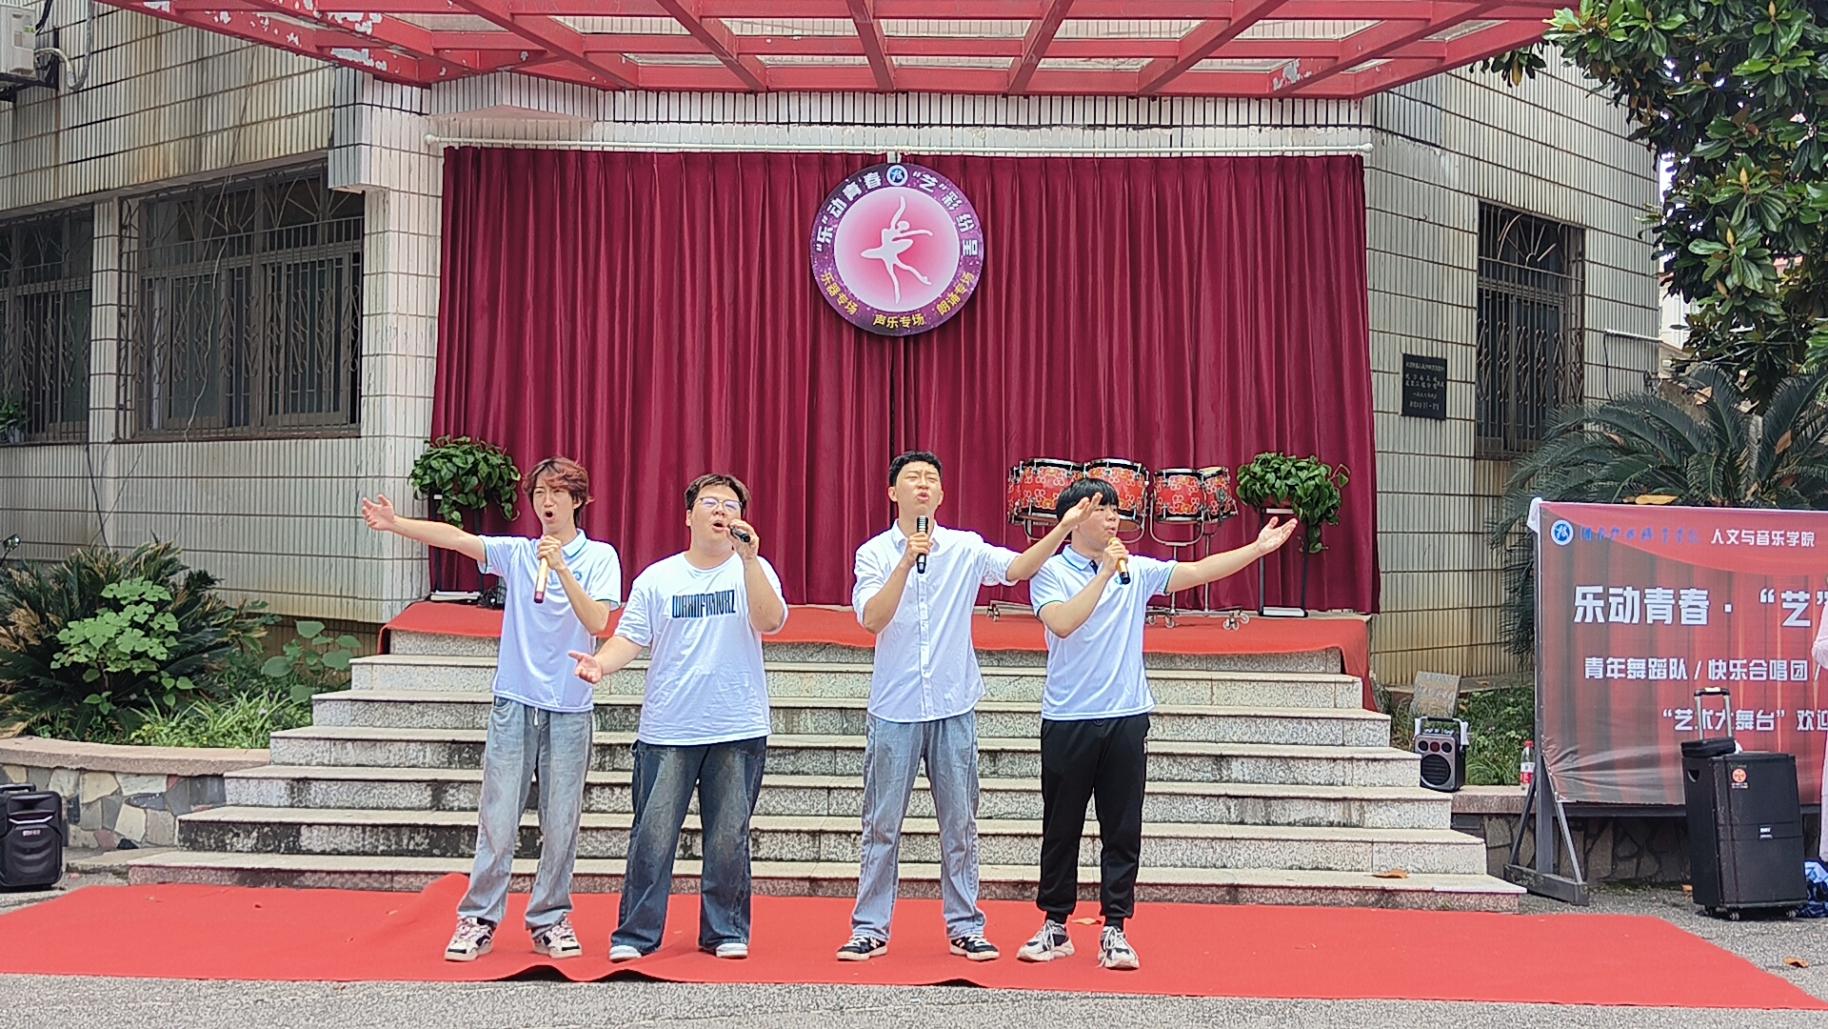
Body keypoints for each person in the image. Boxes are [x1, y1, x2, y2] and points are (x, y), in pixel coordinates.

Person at [1017, 477, 1298, 971]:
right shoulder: (1051, 571)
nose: (1113, 518)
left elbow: (1198, 570)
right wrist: (1106, 574)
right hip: (1069, 717)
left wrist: (1256, 549)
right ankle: (1055, 925)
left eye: (1115, 510)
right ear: (1073, 518)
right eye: (1100, 509)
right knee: (1061, 827)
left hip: (1126, 716)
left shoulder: (1138, 569)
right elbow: (1062, 623)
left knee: (1122, 827)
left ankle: (1115, 929)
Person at [837, 451, 1100, 963]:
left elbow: (1018, 569)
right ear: (892, 492)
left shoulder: (965, 547)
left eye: (930, 479)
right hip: (894, 709)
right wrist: (904, 561)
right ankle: (869, 928)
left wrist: (1063, 526)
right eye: (912, 478)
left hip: (953, 705)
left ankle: (964, 926)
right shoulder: (874, 553)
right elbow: (872, 618)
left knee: (959, 825)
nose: (922, 485)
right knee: (882, 825)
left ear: (941, 494)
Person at [359, 457, 622, 963]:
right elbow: (458, 539)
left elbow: (597, 621)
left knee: (561, 822)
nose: (546, 502)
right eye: (539, 493)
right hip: (514, 702)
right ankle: (478, 918)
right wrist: (396, 524)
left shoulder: (599, 557)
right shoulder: (519, 553)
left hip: (569, 707)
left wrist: (562, 568)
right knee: (498, 818)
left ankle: (549, 919)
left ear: (578, 500)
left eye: (557, 493)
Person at [570, 473, 787, 962]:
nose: (720, 511)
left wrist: (750, 560)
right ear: (688, 516)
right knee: (652, 834)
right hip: (669, 727)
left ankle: (725, 930)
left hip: (737, 725)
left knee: (729, 837)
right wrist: (600, 664)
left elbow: (770, 620)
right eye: (709, 503)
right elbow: (630, 637)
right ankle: (636, 934)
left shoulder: (754, 570)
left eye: (730, 505)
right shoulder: (658, 578)